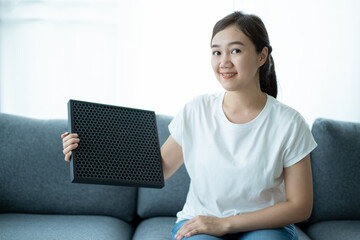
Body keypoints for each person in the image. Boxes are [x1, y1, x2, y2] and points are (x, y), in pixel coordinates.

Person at [62, 11, 317, 240]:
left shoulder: (289, 122)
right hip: (200, 222)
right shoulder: (196, 111)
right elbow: (156, 170)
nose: (224, 62)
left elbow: (300, 206)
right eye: (217, 52)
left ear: (262, 56)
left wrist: (225, 224)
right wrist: (87, 150)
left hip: (264, 227)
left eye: (236, 50)